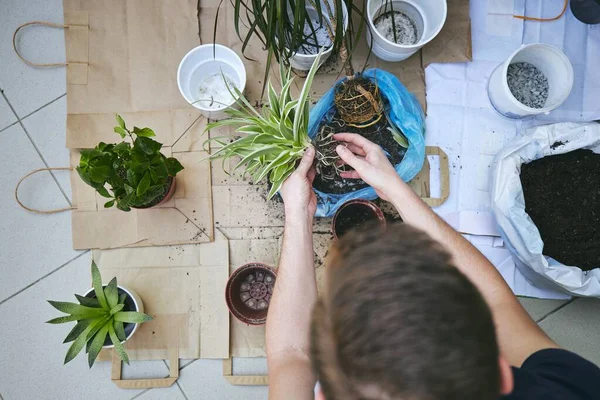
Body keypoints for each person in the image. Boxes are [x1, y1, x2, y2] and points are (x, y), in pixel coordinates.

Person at [266, 133, 600, 400]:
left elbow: (290, 353)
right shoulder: (568, 389)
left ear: (322, 395)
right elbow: (495, 300)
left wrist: (298, 212)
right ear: (501, 372)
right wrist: (396, 191)